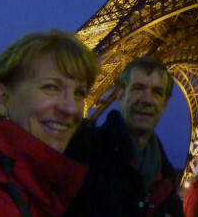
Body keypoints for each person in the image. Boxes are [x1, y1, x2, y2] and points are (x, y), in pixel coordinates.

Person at [0, 30, 100, 217]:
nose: (72, 109)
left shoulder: (41, 190)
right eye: (51, 87)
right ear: (2, 99)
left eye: (79, 93)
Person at [65, 55, 183, 216]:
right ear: (120, 95)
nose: (147, 100)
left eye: (156, 92)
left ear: (164, 104)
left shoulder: (166, 178)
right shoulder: (83, 148)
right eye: (137, 89)